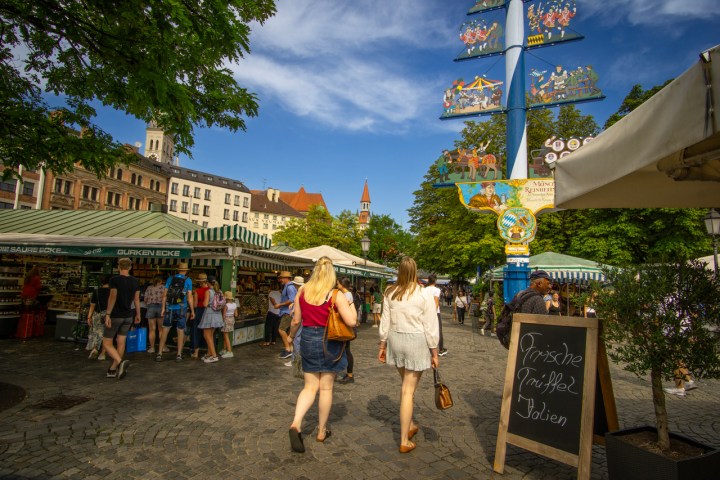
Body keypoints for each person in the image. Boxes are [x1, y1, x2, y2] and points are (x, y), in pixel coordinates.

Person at [287, 257, 357, 454]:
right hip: (330, 341)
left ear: (314, 271)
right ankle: (321, 431)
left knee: (309, 387)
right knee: (325, 389)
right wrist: (346, 296)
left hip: (308, 337)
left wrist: (292, 338)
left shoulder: (302, 291)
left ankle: (296, 424)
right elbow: (352, 321)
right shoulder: (336, 294)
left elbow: (296, 321)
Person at [378, 256, 439, 454]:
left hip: (396, 341)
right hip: (416, 342)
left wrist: (382, 344)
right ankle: (404, 439)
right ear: (415, 272)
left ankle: (410, 424)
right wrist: (435, 351)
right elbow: (430, 325)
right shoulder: (423, 294)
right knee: (407, 391)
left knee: (406, 385)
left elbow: (384, 321)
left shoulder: (390, 292)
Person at [103, 258, 140, 380]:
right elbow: (136, 299)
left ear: (118, 267)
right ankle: (113, 369)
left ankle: (119, 362)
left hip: (116, 314)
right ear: (130, 267)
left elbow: (113, 296)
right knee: (121, 342)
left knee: (107, 343)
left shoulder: (114, 280)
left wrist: (108, 313)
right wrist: (138, 314)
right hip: (128, 315)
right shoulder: (135, 281)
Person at [157, 262, 195, 362]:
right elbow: (190, 297)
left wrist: (163, 308)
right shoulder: (188, 280)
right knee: (180, 330)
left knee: (165, 329)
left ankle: (159, 353)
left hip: (170, 307)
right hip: (182, 307)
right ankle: (179, 354)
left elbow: (164, 295)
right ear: (186, 270)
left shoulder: (170, 279)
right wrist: (192, 310)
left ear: (178, 269)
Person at [198, 279, 225, 363]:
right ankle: (209, 353)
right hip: (217, 314)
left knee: (207, 335)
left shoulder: (208, 291)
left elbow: (205, 304)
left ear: (208, 283)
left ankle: (214, 356)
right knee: (211, 335)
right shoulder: (219, 291)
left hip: (209, 314)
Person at [337, 277, 356, 384]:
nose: (336, 285)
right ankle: (347, 373)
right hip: (345, 325)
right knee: (344, 349)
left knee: (346, 350)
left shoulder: (347, 295)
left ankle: (349, 374)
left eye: (338, 283)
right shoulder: (346, 294)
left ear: (341, 284)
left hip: (345, 326)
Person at [86, 275, 110, 360]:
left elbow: (92, 306)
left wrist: (89, 317)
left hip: (97, 314)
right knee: (106, 335)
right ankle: (103, 354)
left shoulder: (96, 291)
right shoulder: (112, 292)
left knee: (95, 332)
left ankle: (94, 349)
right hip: (108, 315)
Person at [276, 271, 298, 360]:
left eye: (281, 278)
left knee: (281, 329)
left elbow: (292, 299)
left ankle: (288, 349)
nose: (280, 280)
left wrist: (280, 305)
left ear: (286, 278)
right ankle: (291, 350)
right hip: (288, 311)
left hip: (287, 312)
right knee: (288, 332)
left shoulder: (289, 287)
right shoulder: (288, 286)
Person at [425, 274, 447, 356]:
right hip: (435, 312)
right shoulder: (437, 290)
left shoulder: (425, 289)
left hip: (426, 311)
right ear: (435, 281)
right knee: (439, 330)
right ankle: (441, 349)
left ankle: (426, 348)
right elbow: (436, 301)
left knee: (427, 330)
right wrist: (433, 312)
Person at [143, 275, 165, 354]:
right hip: (161, 307)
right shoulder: (163, 287)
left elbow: (145, 299)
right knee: (161, 329)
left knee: (152, 329)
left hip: (151, 307)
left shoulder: (149, 288)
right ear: (161, 280)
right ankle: (162, 347)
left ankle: (152, 347)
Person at [191, 273, 211, 359]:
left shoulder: (197, 291)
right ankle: (209, 351)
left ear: (200, 281)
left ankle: (196, 352)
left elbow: (195, 305)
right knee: (208, 333)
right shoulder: (210, 290)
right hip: (208, 311)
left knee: (197, 332)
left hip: (199, 311)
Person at [219, 290, 238, 358]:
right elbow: (236, 314)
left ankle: (229, 351)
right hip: (232, 320)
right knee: (226, 336)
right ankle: (224, 349)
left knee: (226, 336)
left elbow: (223, 316)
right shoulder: (235, 304)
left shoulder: (226, 305)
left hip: (226, 320)